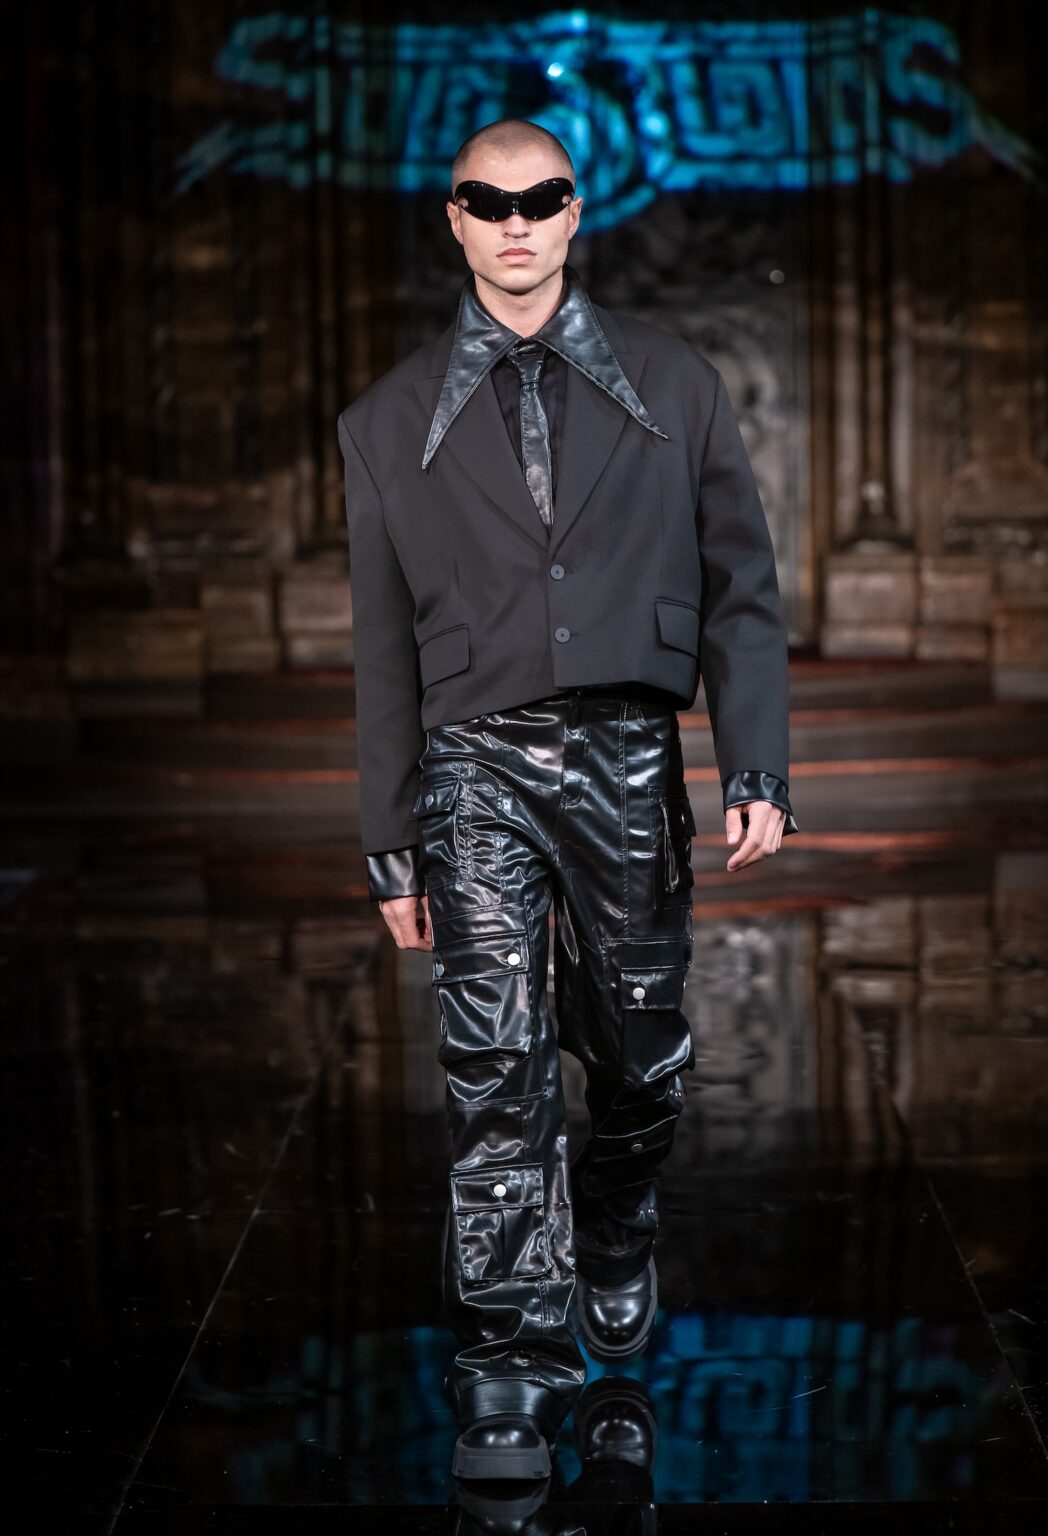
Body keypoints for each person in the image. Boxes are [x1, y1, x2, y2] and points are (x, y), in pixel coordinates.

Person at [337, 118, 798, 1482]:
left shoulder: (675, 381)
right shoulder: (384, 424)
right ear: (455, 220)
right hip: (475, 763)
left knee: (643, 1048)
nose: (517, 220)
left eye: (540, 198)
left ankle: (614, 1212)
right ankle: (512, 1351)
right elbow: (377, 646)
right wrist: (388, 835)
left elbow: (744, 586)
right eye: (490, 200)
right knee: (493, 1059)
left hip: (629, 751)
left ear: (578, 210)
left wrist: (755, 762)